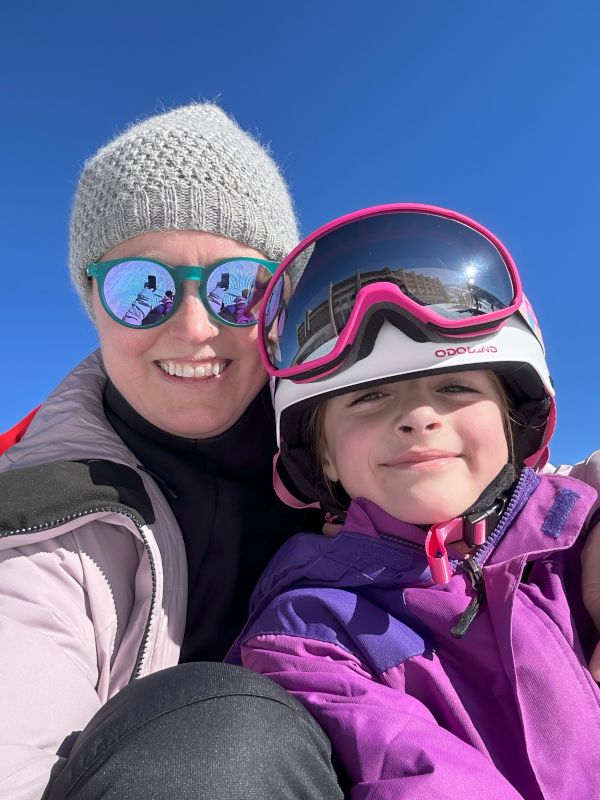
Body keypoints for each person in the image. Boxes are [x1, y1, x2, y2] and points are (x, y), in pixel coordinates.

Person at [0, 104, 344, 799]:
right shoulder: (39, 514)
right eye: (141, 289)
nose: (194, 328)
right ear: (91, 300)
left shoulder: (356, 456)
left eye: (236, 290)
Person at [229, 204, 600, 799]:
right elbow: (418, 777)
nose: (419, 418)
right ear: (321, 457)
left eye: (454, 386)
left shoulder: (577, 539)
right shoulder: (307, 634)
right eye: (370, 397)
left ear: (513, 420)